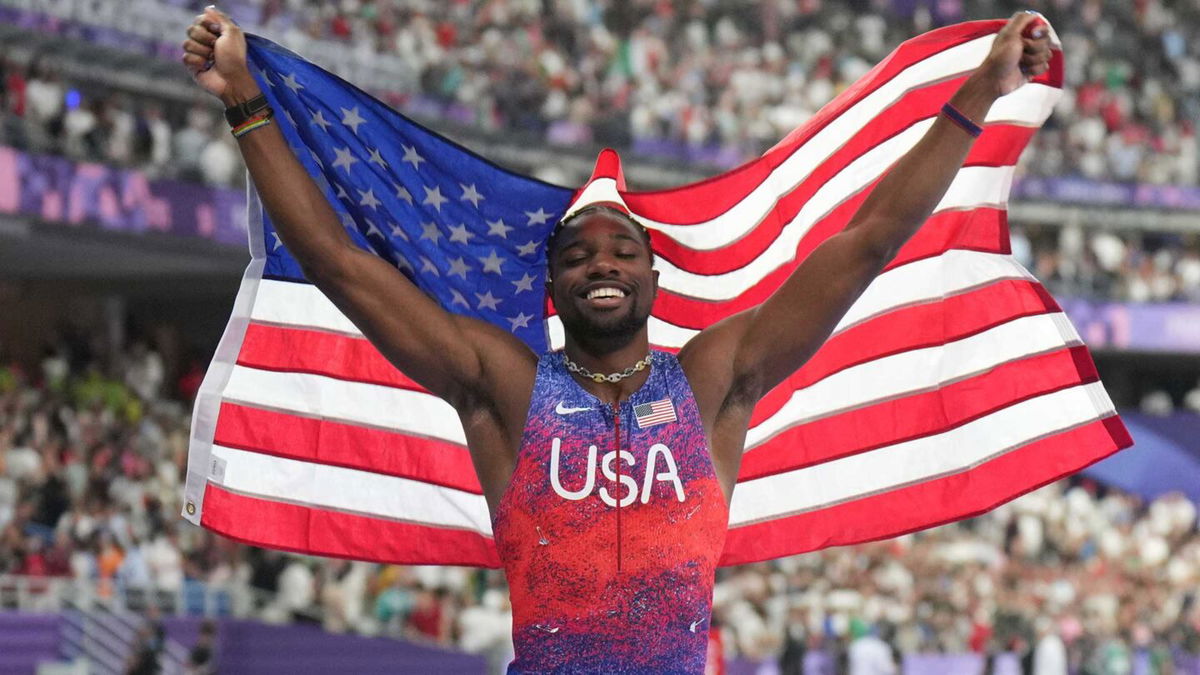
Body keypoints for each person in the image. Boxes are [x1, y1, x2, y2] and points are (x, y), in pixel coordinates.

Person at [181, 7, 1051, 673]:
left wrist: (978, 93)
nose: (603, 263)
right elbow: (338, 263)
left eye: (623, 251)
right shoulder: (504, 384)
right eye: (579, 253)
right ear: (552, 284)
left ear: (653, 278)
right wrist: (246, 100)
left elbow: (866, 243)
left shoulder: (713, 379)